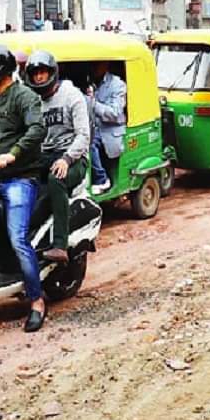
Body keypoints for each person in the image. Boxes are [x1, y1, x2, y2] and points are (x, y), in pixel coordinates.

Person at [0, 44, 48, 331]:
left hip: (20, 179)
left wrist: (12, 154)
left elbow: (37, 130)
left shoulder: (25, 97)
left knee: (18, 240)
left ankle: (37, 300)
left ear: (1, 69)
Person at [23, 50, 90, 264]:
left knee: (56, 178)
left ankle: (60, 245)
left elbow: (84, 135)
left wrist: (67, 159)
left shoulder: (72, 96)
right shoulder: (34, 102)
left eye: (43, 72)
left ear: (52, 73)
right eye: (35, 74)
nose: (39, 77)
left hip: (74, 157)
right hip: (45, 155)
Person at [87, 61, 127, 194]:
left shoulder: (117, 84)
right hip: (93, 127)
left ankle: (101, 179)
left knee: (88, 142)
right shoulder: (89, 81)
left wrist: (92, 103)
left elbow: (115, 113)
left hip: (110, 131)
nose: (94, 67)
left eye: (97, 64)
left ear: (106, 64)